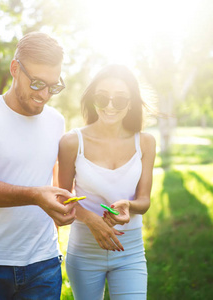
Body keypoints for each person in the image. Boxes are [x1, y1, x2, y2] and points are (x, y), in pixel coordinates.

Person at [0, 32, 77, 300]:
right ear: (14, 68)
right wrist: (35, 196)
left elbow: (55, 183)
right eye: (37, 83)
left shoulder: (56, 120)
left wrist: (66, 205)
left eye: (53, 87)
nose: (44, 95)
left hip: (44, 259)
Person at [58, 64, 156, 299]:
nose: (110, 106)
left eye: (120, 100)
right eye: (103, 98)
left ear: (131, 102)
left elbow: (144, 200)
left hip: (130, 250)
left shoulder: (145, 142)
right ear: (93, 99)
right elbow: (63, 197)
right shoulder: (72, 141)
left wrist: (129, 206)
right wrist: (91, 219)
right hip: (84, 252)